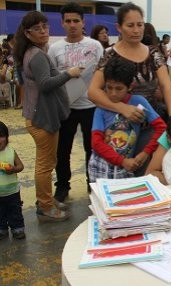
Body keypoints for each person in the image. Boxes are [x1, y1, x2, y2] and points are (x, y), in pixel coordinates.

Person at [88, 2, 171, 175]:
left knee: (145, 174)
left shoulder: (154, 53)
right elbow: (93, 91)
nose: (136, 30)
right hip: (113, 127)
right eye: (130, 25)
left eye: (140, 25)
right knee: (113, 174)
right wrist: (122, 108)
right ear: (119, 27)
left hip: (148, 126)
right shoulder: (110, 54)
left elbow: (167, 87)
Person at [13, 11, 82, 221]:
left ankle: (47, 200)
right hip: (41, 118)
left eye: (45, 26)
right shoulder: (37, 55)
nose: (43, 31)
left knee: (47, 162)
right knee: (45, 165)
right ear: (27, 33)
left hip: (39, 115)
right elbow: (45, 84)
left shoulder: (31, 52)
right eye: (37, 28)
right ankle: (45, 206)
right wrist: (68, 74)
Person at [48, 2, 104, 202]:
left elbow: (102, 73)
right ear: (62, 23)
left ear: (83, 22)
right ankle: (62, 186)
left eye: (76, 21)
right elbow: (51, 80)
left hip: (91, 107)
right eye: (68, 21)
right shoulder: (54, 49)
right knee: (62, 150)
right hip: (65, 108)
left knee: (92, 148)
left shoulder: (95, 46)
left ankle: (92, 184)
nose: (72, 24)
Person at [88, 57, 166, 182]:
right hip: (100, 166)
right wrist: (122, 161)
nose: (113, 93)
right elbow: (96, 143)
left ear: (130, 86)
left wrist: (145, 153)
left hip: (126, 167)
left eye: (119, 89)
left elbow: (161, 127)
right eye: (109, 87)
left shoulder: (138, 102)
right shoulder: (101, 108)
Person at [0, 121, 25, 240]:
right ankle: (1, 229)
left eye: (1, 136)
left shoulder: (11, 151)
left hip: (12, 191)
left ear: (6, 137)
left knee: (15, 210)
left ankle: (17, 228)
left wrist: (13, 169)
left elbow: (21, 166)